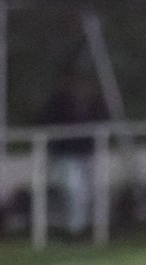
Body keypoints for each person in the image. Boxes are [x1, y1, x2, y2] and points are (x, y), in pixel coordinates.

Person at [38, 67, 108, 237]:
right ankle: (73, 229)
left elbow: (102, 119)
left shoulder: (91, 102)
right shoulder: (59, 101)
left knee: (87, 191)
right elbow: (47, 122)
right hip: (66, 154)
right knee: (73, 190)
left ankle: (86, 227)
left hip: (86, 151)